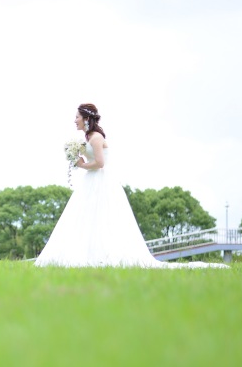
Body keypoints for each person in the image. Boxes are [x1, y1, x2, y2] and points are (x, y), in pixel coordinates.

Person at [35, 103, 228, 269]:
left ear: (86, 118)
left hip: (99, 180)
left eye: (76, 117)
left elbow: (100, 163)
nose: (74, 120)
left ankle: (102, 256)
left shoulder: (95, 138)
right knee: (86, 217)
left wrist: (82, 164)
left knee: (102, 218)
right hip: (91, 181)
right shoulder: (88, 138)